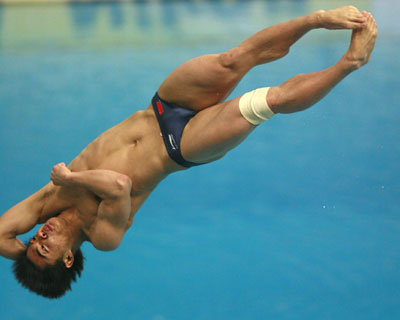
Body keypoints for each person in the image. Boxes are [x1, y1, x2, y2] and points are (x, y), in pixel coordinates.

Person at [0, 6, 377, 299]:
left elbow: (1, 234)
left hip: (160, 109)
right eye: (44, 250)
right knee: (267, 101)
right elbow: (118, 185)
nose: (39, 238)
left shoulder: (44, 205)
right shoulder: (102, 236)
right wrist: (70, 179)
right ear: (69, 259)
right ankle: (350, 63)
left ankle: (316, 19)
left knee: (235, 58)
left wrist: (27, 262)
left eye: (33, 241)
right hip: (182, 146)